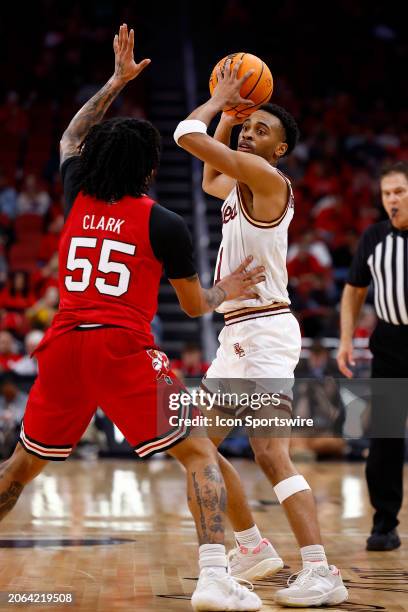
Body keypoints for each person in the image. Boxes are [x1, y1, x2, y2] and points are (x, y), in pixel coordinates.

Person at [0, 26, 265, 612]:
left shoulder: (74, 189)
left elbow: (72, 133)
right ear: (149, 168)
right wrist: (232, 286)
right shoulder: (165, 222)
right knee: (198, 453)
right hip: (123, 351)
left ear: (98, 159)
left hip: (65, 347)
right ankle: (215, 578)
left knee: (20, 467)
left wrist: (116, 82)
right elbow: (195, 307)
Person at [174, 59, 348, 607]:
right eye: (248, 127)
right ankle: (250, 546)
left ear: (279, 152)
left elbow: (186, 137)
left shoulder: (268, 179)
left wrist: (217, 104)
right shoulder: (240, 180)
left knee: (272, 456)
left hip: (267, 329)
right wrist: (230, 117)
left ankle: (322, 572)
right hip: (238, 333)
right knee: (196, 442)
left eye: (260, 130)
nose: (250, 133)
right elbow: (208, 177)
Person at [337, 160, 408, 552]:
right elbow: (354, 290)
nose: (392, 200)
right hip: (391, 344)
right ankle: (384, 524)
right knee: (384, 438)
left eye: (399, 191)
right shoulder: (374, 237)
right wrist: (346, 338)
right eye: (386, 194)